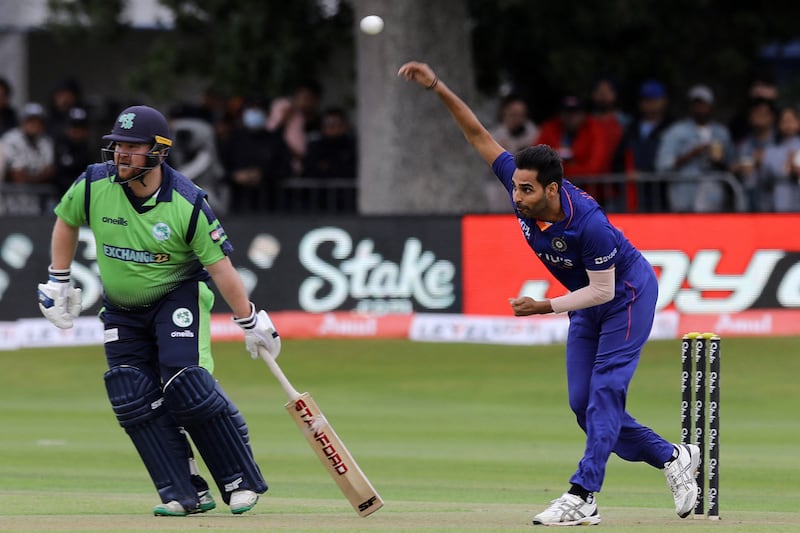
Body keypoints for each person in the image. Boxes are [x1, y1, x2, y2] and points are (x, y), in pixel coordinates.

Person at [398, 61, 699, 527]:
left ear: (552, 189)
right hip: (586, 301)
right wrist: (438, 86)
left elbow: (604, 290)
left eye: (526, 190)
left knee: (605, 395)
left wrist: (543, 306)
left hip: (627, 295)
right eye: (515, 186)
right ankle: (673, 457)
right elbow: (478, 134)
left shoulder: (589, 224)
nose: (516, 197)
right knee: (584, 405)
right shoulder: (521, 183)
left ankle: (583, 495)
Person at [36, 105, 279, 516]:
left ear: (159, 152)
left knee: (184, 385)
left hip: (177, 296)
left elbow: (220, 267)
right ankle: (185, 492)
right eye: (117, 146)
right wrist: (58, 280)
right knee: (131, 393)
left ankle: (239, 480)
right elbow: (66, 220)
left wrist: (250, 320)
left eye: (132, 147)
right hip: (122, 308)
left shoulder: (186, 203)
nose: (121, 156)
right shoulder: (95, 183)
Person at [655, 84, 735, 212]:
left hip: (715, 202)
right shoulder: (676, 132)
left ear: (711, 106)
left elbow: (732, 166)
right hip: (683, 201)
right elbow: (662, 167)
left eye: (703, 103)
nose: (700, 108)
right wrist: (691, 154)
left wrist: (719, 162)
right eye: (696, 104)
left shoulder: (721, 133)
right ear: (690, 106)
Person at [613, 80, 673, 212]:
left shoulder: (672, 128)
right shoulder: (630, 129)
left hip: (663, 197)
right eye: (645, 99)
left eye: (653, 99)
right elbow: (618, 158)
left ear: (664, 101)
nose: (649, 104)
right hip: (634, 196)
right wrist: (625, 172)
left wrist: (646, 174)